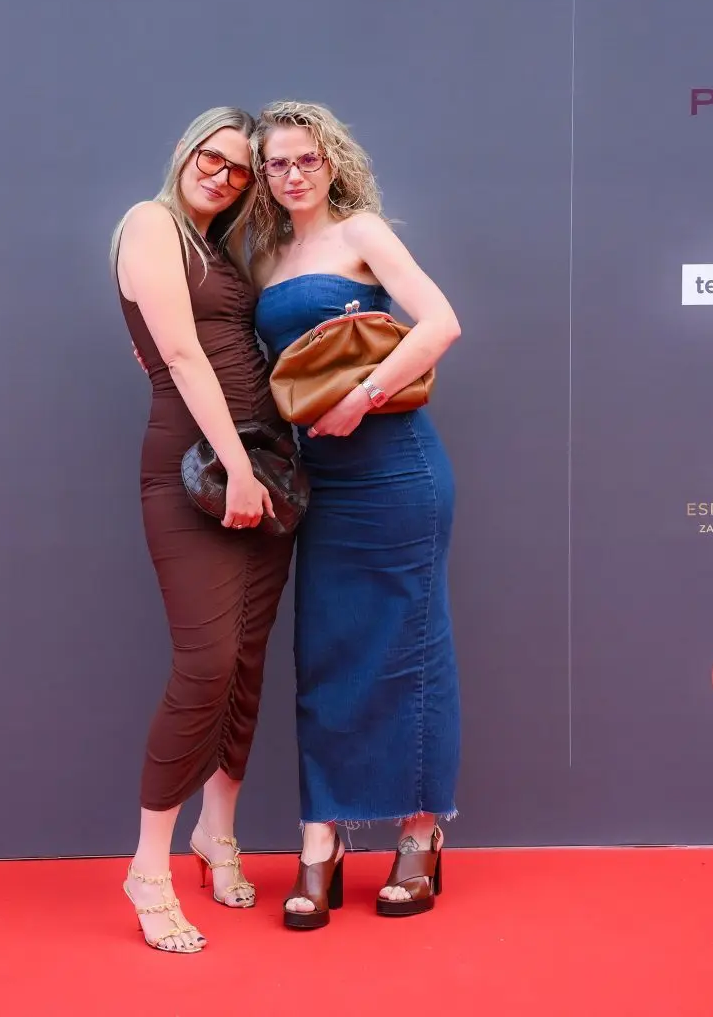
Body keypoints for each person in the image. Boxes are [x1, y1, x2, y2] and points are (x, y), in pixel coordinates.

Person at [248, 100, 462, 929]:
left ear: (331, 161)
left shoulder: (362, 232)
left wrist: (363, 396)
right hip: (322, 481)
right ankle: (322, 839)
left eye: (306, 158)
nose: (292, 173)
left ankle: (419, 832)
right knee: (327, 652)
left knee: (412, 646)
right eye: (276, 162)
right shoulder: (264, 255)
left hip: (397, 468)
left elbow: (440, 324)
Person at [110, 106, 297, 954]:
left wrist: (262, 464)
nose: (222, 175)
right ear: (184, 151)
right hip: (200, 467)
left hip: (265, 466)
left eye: (239, 169)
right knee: (207, 661)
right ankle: (148, 867)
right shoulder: (150, 222)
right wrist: (238, 466)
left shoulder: (216, 246)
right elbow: (182, 357)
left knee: (247, 660)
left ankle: (217, 832)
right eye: (210, 158)